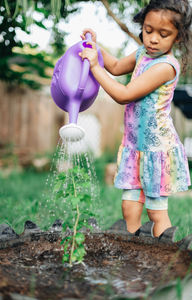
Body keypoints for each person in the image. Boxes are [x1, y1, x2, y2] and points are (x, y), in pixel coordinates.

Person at [79, 0, 192, 237]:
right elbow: (118, 66)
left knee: (155, 212)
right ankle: (133, 256)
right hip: (134, 148)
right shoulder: (142, 53)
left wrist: (94, 67)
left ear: (178, 37)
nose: (152, 39)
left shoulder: (166, 66)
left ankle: (163, 259)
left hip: (155, 151)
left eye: (163, 34)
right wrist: (96, 49)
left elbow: (124, 94)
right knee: (129, 208)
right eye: (148, 30)